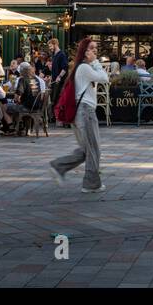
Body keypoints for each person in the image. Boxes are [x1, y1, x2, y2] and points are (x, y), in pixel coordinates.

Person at [50, 38, 109, 192]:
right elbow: (104, 78)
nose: (95, 50)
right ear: (84, 51)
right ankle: (91, 184)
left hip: (81, 113)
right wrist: (96, 62)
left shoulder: (81, 67)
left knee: (86, 150)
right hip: (85, 112)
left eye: (96, 48)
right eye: (91, 48)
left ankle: (59, 166)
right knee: (93, 149)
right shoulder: (84, 68)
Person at [7, 61, 46, 134]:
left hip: (27, 107)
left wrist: (17, 99)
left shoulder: (22, 80)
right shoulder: (36, 79)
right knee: (17, 105)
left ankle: (13, 127)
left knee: (7, 107)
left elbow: (16, 97)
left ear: (22, 71)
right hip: (37, 106)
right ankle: (22, 126)